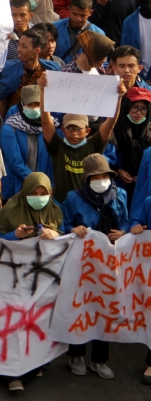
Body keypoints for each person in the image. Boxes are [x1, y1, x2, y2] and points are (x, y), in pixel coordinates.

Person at [61, 153, 128, 379]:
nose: (101, 180)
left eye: (104, 175)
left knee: (105, 308)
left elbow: (126, 221)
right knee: (81, 307)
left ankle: (99, 360)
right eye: (95, 176)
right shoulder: (73, 198)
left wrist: (125, 232)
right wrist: (73, 229)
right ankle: (76, 355)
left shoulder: (121, 195)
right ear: (86, 179)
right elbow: (64, 224)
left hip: (111, 263)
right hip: (83, 264)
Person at [40, 71, 125, 203]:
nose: (74, 132)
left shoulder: (93, 145)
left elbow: (110, 124)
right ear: (62, 130)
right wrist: (43, 91)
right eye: (69, 128)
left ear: (87, 130)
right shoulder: (57, 146)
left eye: (78, 128)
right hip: (62, 205)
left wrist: (118, 98)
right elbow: (46, 122)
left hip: (88, 206)